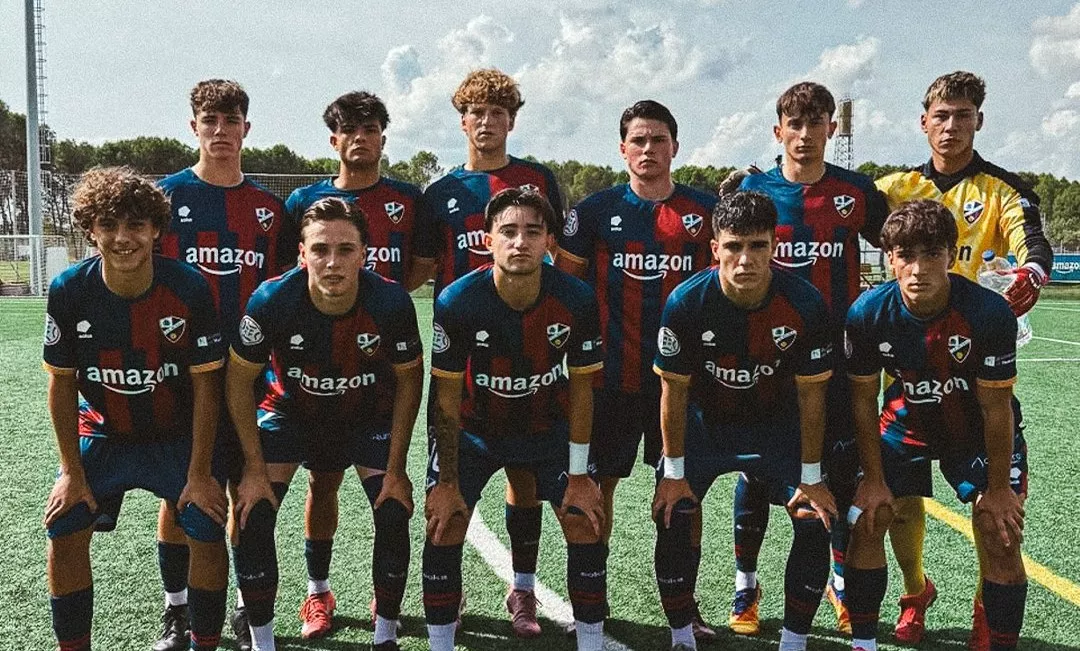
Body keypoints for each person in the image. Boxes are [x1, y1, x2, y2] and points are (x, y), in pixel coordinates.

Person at [874, 71, 1052, 648]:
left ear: (980, 120)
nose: (951, 126)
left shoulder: (1004, 190)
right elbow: (823, 196)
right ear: (923, 121)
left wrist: (1033, 271)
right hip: (906, 371)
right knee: (897, 503)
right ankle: (913, 590)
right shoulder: (894, 187)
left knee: (994, 518)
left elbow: (1033, 239)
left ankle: (987, 598)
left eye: (964, 115)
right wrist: (759, 177)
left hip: (977, 371)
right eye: (941, 115)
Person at [138, 78, 296, 651]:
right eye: (211, 121)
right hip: (179, 373)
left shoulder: (268, 210)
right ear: (194, 127)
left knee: (240, 488)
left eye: (232, 121)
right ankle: (176, 611)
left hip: (247, 373)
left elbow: (282, 291)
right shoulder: (163, 198)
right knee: (181, 490)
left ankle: (239, 600)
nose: (222, 131)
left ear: (246, 130)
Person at [43, 166, 229, 651]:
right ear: (90, 229)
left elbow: (207, 386)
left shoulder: (188, 287)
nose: (123, 238)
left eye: (135, 225)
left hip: (173, 432)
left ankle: (202, 638)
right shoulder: (68, 289)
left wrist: (201, 471)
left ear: (156, 230)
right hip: (105, 433)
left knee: (207, 525)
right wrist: (70, 471)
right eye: (109, 225)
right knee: (64, 526)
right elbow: (61, 385)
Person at [226, 197, 423, 651]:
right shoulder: (273, 299)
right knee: (253, 513)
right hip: (289, 414)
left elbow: (409, 380)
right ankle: (268, 635)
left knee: (393, 512)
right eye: (320, 249)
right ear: (302, 254)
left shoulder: (390, 302)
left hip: (364, 416)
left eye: (345, 249)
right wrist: (252, 471)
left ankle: (385, 636)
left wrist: (396, 469)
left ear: (365, 254)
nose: (332, 262)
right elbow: (238, 383)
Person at [728, 81, 889, 635]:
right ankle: (745, 581)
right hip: (765, 358)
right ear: (778, 132)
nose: (803, 136)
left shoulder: (856, 192)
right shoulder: (755, 189)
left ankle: (839, 580)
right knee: (753, 471)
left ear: (831, 129)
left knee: (837, 475)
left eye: (814, 123)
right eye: (792, 126)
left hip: (837, 359)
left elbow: (898, 244)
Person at [555, 99, 718, 640]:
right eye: (638, 141)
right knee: (595, 493)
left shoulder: (705, 210)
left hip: (684, 382)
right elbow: (566, 289)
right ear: (622, 148)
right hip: (609, 381)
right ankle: (592, 607)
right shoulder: (596, 212)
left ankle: (683, 605)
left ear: (676, 146)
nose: (648, 150)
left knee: (683, 494)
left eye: (658, 140)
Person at [652, 191, 837, 651]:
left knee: (814, 517)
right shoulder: (686, 302)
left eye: (757, 246)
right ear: (715, 249)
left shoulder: (805, 302)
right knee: (674, 510)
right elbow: (673, 391)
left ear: (775, 245)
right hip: (706, 427)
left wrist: (812, 478)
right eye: (734, 246)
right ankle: (681, 637)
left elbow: (813, 397)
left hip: (777, 427)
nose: (745, 259)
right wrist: (673, 474)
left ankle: (794, 642)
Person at [422, 188, 607, 651]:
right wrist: (445, 481)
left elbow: (583, 389)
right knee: (445, 520)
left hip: (546, 426)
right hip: (474, 431)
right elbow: (444, 397)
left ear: (550, 242)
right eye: (508, 232)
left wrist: (581, 475)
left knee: (583, 517)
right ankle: (441, 642)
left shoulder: (576, 298)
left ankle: (589, 641)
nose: (520, 241)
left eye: (532, 232)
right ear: (488, 240)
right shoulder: (457, 300)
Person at [843, 199, 1029, 651]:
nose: (918, 268)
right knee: (870, 516)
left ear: (950, 254)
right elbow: (864, 402)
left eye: (931, 254)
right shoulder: (867, 313)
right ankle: (868, 640)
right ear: (890, 258)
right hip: (907, 424)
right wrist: (871, 478)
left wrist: (1000, 488)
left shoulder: (987, 313)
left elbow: (996, 409)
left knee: (1000, 531)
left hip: (975, 431)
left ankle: (995, 630)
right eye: (906, 255)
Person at [283, 91, 435, 638]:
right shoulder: (304, 199)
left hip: (375, 364)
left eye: (370, 129)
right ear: (334, 140)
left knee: (388, 496)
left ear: (382, 138)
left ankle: (384, 596)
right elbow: (292, 272)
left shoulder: (407, 198)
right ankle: (317, 593)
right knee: (320, 485)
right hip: (313, 369)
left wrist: (372, 305)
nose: (360, 138)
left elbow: (420, 265)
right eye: (349, 130)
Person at [420, 68, 565, 637]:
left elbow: (562, 257)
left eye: (498, 113)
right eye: (477, 113)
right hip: (461, 361)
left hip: (531, 358)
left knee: (526, 479)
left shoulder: (538, 180)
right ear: (463, 121)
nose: (487, 122)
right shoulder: (441, 194)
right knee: (447, 488)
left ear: (512, 120)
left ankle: (522, 590)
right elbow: (420, 271)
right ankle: (445, 599)